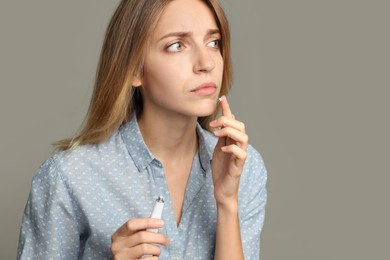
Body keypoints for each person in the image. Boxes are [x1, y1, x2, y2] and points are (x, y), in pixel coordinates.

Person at [17, 0, 267, 259]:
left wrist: (227, 203)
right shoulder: (69, 177)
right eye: (176, 45)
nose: (206, 63)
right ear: (135, 69)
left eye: (214, 42)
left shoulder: (244, 167)